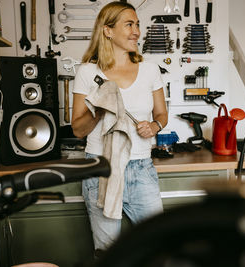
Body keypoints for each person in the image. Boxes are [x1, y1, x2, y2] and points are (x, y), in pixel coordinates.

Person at [71, 1, 168, 255]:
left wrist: (155, 126)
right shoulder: (87, 72)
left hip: (141, 170)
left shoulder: (149, 70)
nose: (136, 30)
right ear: (108, 31)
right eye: (129, 24)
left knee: (158, 248)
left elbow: (162, 114)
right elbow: (78, 130)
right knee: (108, 253)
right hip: (100, 168)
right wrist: (100, 109)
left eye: (137, 24)